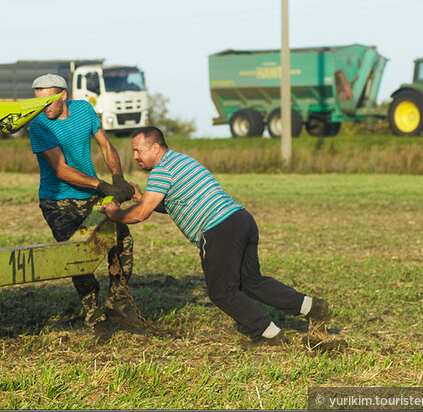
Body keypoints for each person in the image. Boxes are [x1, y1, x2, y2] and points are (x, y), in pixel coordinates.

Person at [100, 126, 330, 346]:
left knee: (221, 292)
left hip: (218, 228)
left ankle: (267, 333)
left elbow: (140, 215)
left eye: (138, 150)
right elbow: (174, 203)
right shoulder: (181, 160)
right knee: (251, 282)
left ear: (156, 148)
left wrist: (115, 214)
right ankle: (312, 307)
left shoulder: (161, 171)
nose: (135, 156)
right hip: (241, 219)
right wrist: (142, 199)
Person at [29, 73, 144, 343]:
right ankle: (95, 317)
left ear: (63, 95)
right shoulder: (39, 125)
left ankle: (117, 307)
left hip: (92, 195)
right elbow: (61, 170)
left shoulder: (84, 109)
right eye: (37, 102)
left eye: (47, 101)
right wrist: (104, 187)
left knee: (122, 244)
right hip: (58, 203)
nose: (42, 107)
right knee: (78, 258)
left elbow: (105, 144)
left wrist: (117, 178)